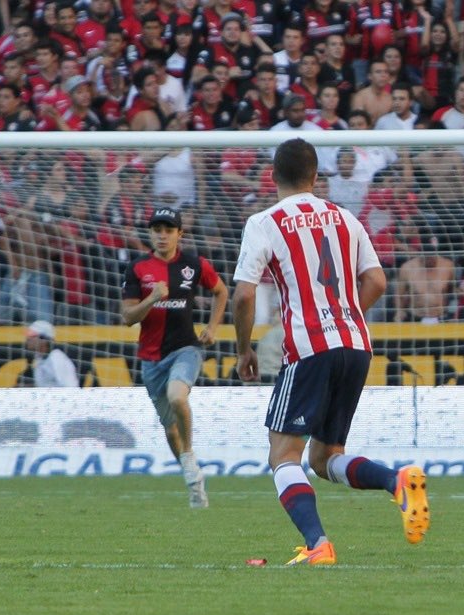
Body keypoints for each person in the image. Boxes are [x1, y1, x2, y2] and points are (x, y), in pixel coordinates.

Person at [232, 139, 431, 566]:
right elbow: (376, 281)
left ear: (272, 176)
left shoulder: (264, 222)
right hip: (356, 345)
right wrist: (344, 313)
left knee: (284, 455)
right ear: (316, 177)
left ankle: (318, 543)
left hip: (309, 348)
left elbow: (244, 295)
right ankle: (396, 480)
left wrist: (244, 348)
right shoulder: (345, 218)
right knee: (325, 458)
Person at [120, 208, 229, 508]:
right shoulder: (138, 268)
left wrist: (212, 327)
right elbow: (128, 317)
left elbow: (221, 292)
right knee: (170, 429)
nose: (162, 235)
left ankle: (189, 454)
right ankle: (193, 481)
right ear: (151, 233)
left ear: (180, 234)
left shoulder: (194, 265)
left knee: (178, 396)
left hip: (186, 349)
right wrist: (152, 299)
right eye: (157, 229)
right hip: (151, 358)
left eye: (169, 230)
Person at [22, 320, 79, 388]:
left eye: (32, 335)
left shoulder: (56, 358)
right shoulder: (38, 358)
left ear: (44, 339)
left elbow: (69, 386)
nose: (28, 339)